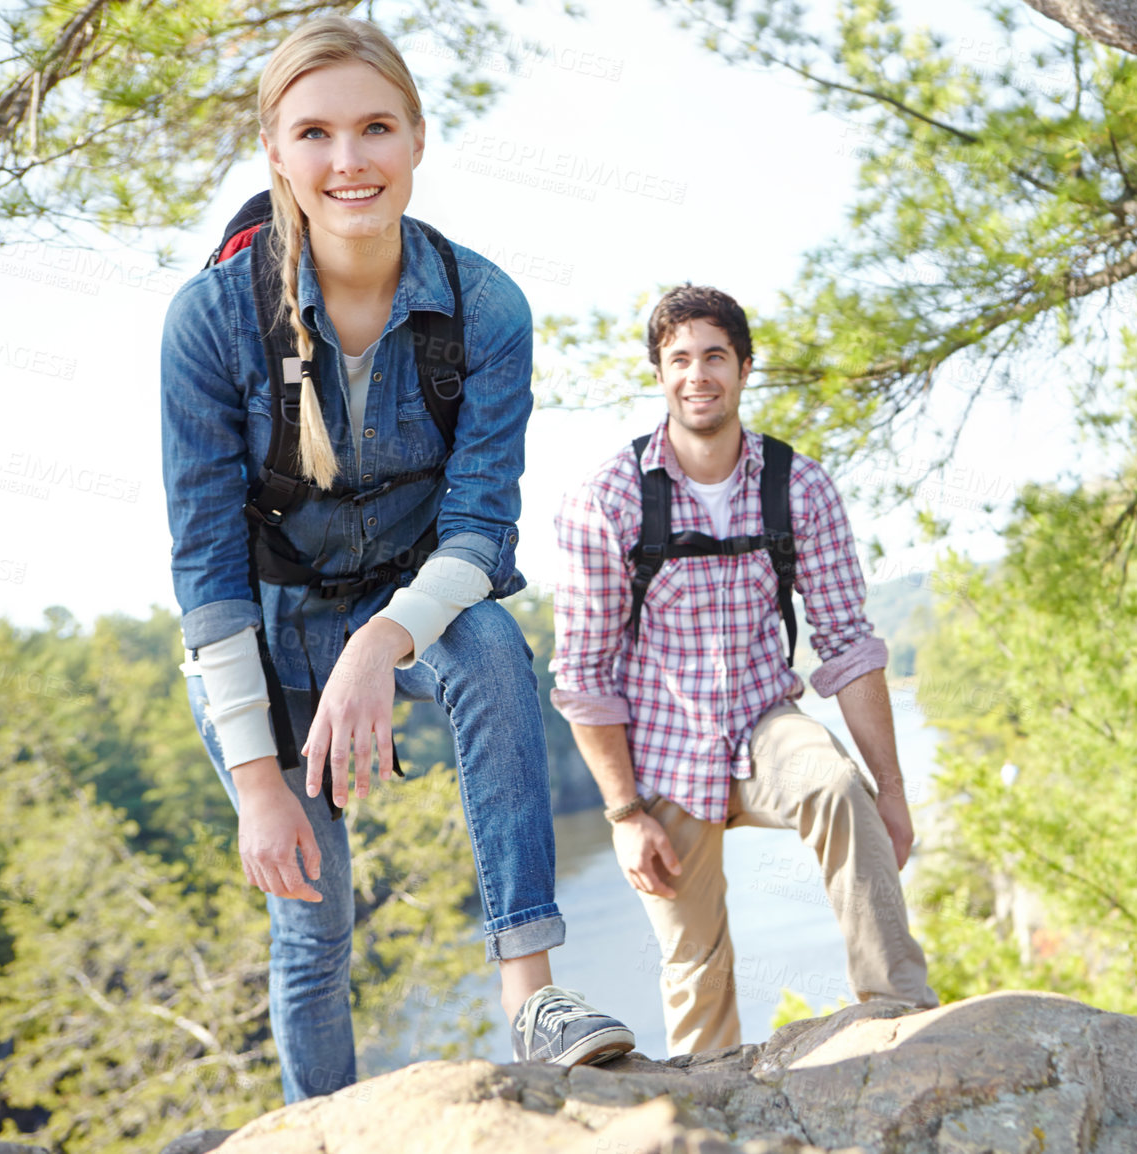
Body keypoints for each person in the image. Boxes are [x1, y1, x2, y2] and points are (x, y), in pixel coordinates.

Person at [160, 16, 632, 1102]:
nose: (348, 160)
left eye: (375, 128)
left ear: (418, 137)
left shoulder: (486, 306)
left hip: (414, 606)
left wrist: (381, 638)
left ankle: (533, 995)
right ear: (275, 151)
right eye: (314, 133)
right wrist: (257, 785)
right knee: (313, 932)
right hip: (266, 643)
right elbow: (206, 572)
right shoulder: (210, 323)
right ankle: (317, 1121)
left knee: (493, 650)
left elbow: (479, 535)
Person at [550, 284, 938, 1054]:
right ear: (660, 374)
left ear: (745, 368)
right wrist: (625, 817)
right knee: (695, 968)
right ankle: (711, 1108)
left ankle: (899, 1012)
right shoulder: (607, 500)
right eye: (680, 359)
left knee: (836, 785)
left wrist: (890, 795)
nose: (699, 375)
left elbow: (850, 646)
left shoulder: (798, 486)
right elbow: (584, 675)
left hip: (765, 723)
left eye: (715, 357)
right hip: (660, 748)